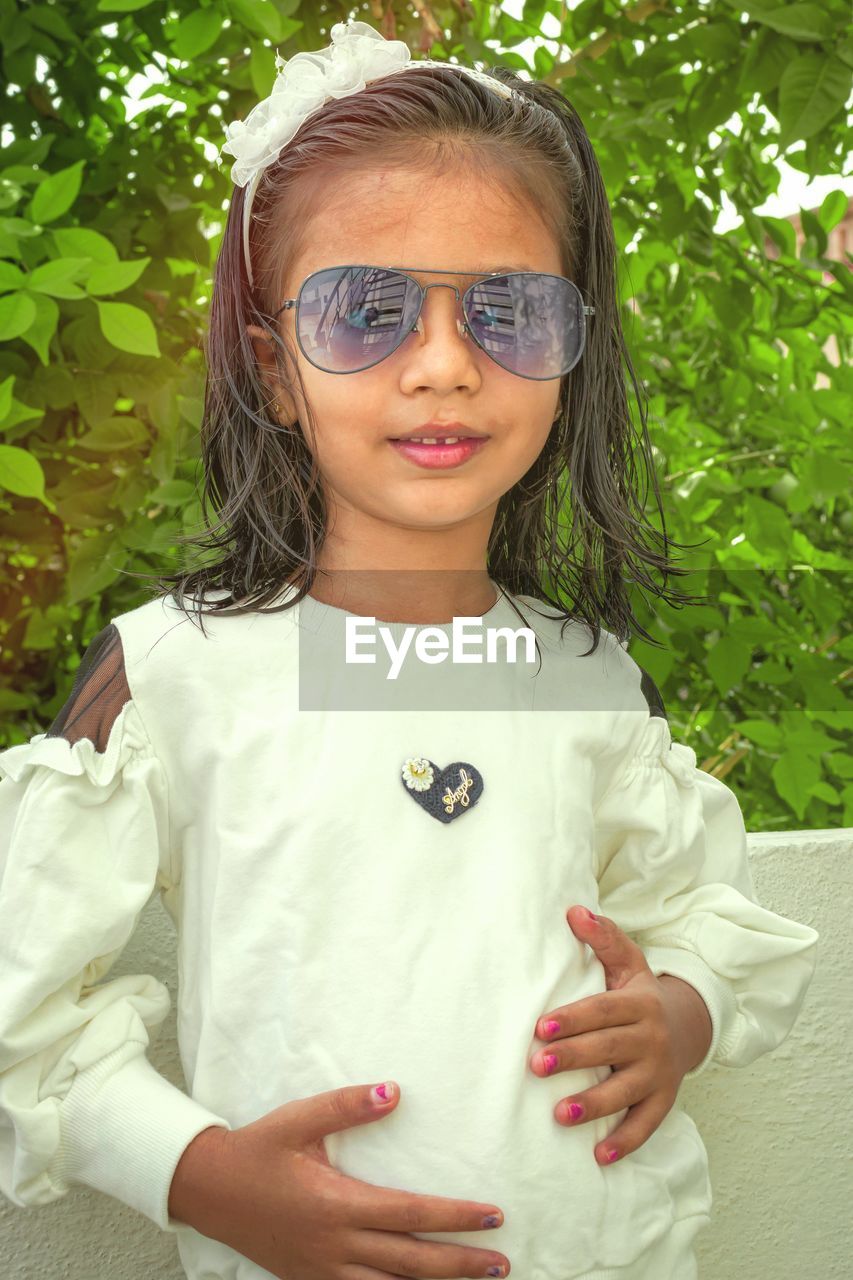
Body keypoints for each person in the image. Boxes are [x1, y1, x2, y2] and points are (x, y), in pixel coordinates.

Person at [0, 19, 819, 1280]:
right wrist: (198, 1173)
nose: (444, 365)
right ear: (275, 369)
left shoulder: (590, 678)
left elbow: (696, 914)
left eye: (508, 310)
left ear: (570, 352)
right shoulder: (173, 679)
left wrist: (681, 1010)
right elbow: (23, 1005)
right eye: (366, 309)